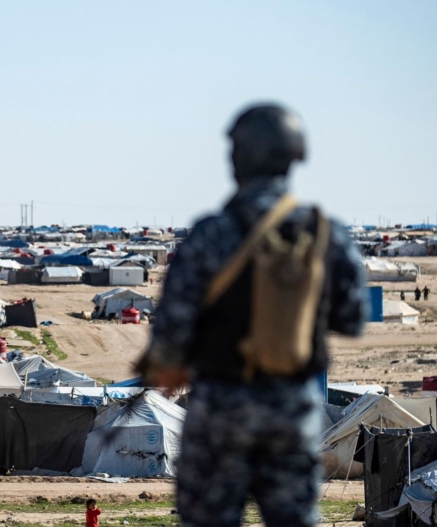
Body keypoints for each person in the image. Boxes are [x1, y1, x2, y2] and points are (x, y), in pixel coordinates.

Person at [135, 103, 367, 527]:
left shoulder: (210, 235)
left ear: (237, 159)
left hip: (219, 413)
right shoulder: (324, 233)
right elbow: (351, 318)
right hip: (291, 413)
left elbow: (170, 333)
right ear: (295, 158)